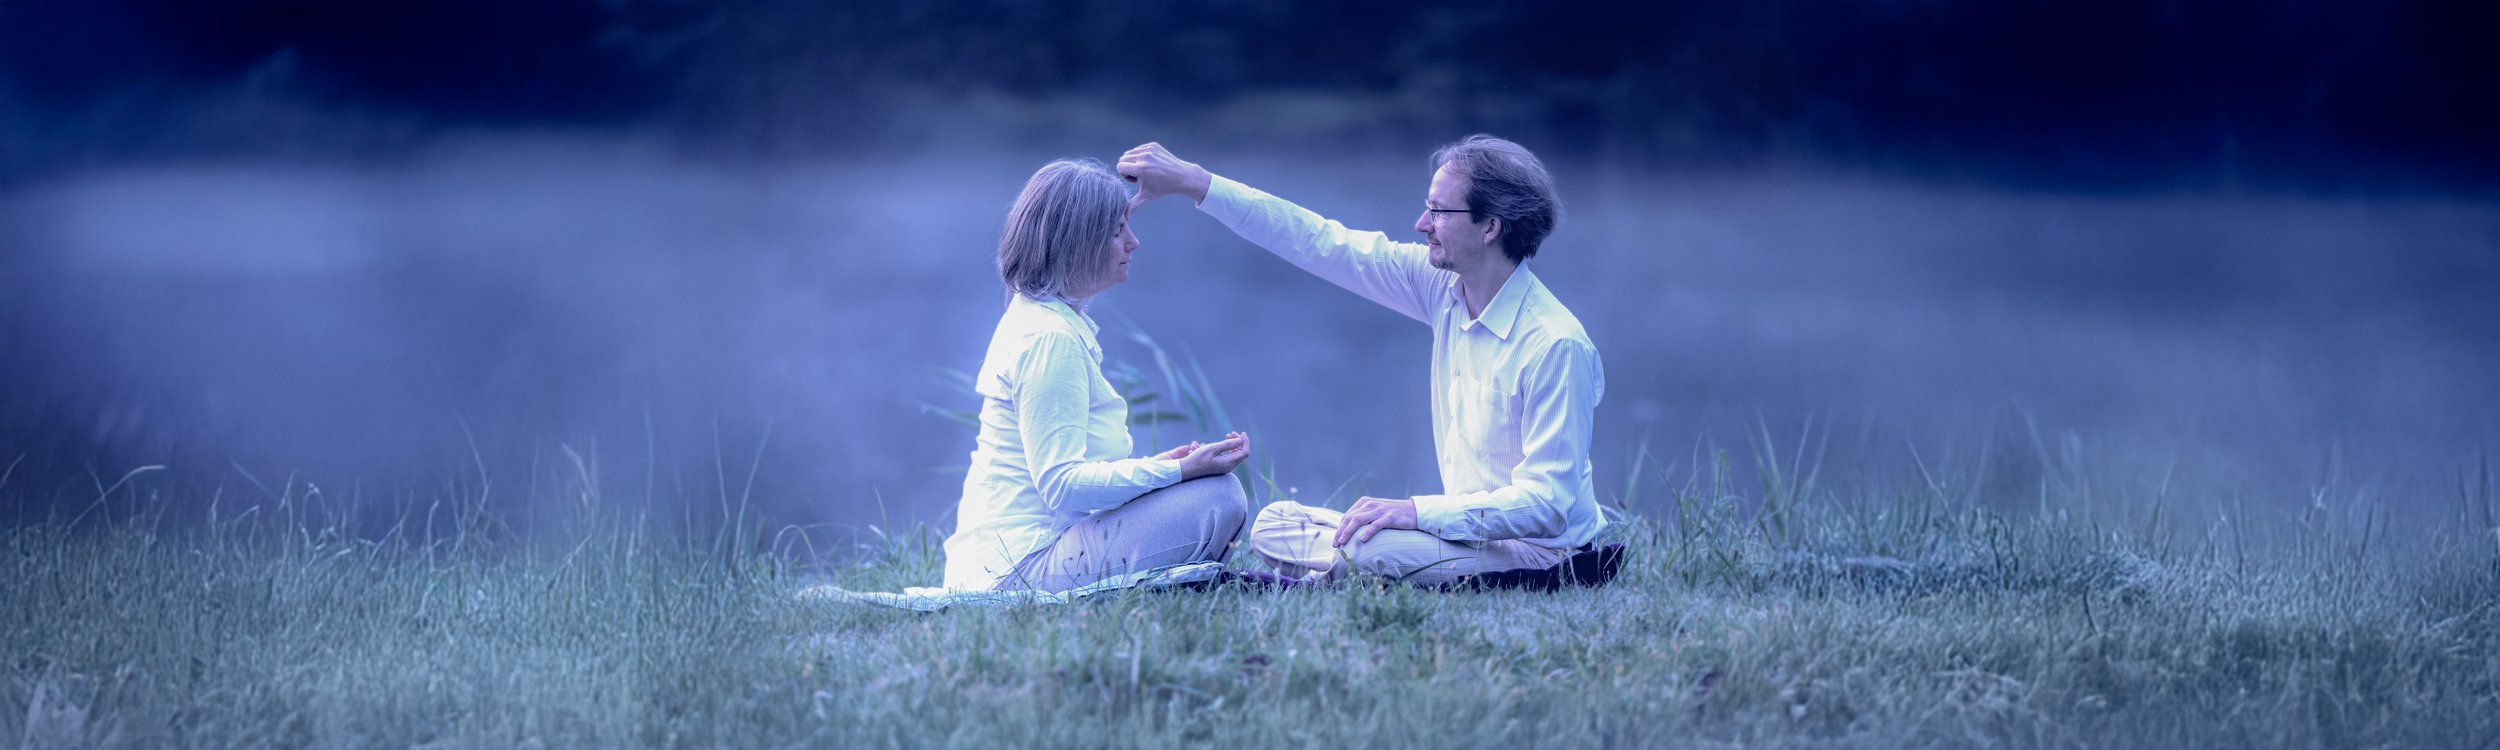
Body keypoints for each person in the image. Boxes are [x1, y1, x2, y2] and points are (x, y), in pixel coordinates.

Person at [1118, 135, 1606, 586]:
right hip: (1464, 535)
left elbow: (1549, 504)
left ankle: (1314, 582)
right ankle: (1348, 567)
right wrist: (1194, 182)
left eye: (1438, 211)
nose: (1421, 225)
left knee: (1368, 551)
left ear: (1490, 228)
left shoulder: (1555, 345)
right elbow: (1320, 242)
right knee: (1274, 524)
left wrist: (1416, 512)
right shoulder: (1442, 289)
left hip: (1543, 552)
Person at [941, 158, 1252, 593]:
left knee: (1212, 491)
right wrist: (1179, 472)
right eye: (1116, 231)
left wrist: (1158, 468)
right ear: (1077, 243)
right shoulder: (1050, 338)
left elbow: (1067, 477)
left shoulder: (1041, 320)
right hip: (1018, 569)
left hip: (1018, 558)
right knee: (1219, 498)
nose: (1133, 243)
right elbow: (1063, 486)